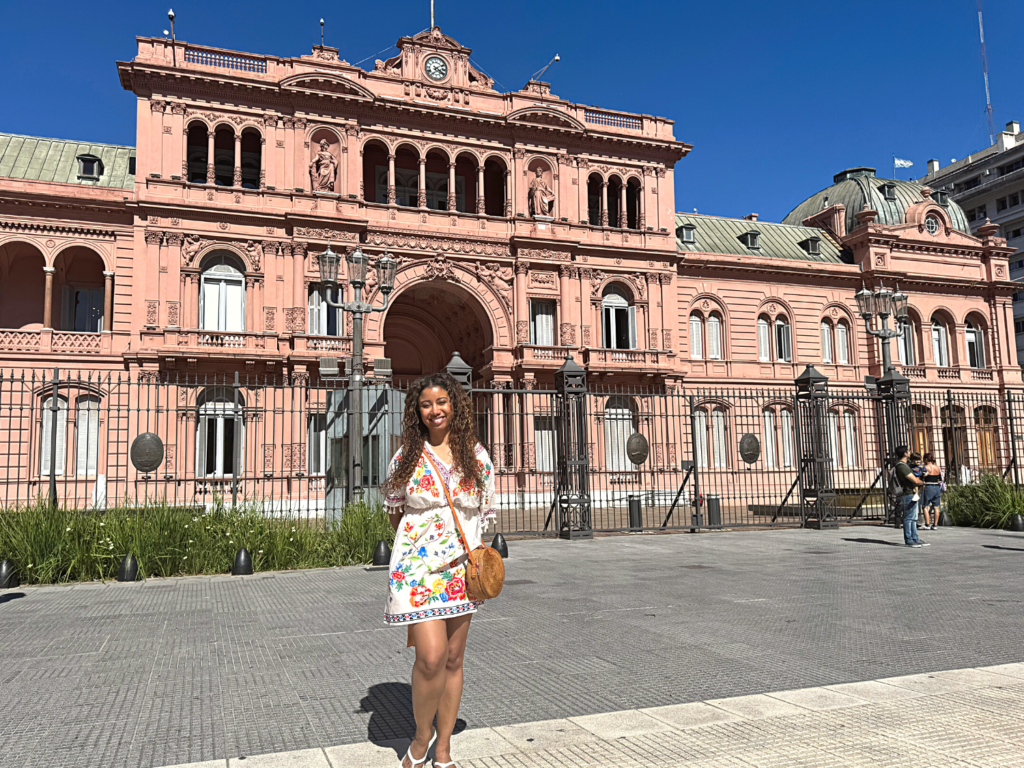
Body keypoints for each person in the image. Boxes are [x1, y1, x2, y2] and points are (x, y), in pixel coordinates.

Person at [381, 372, 496, 768]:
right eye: (426, 404)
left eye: (442, 402)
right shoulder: (406, 457)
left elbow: (484, 516)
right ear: (418, 410)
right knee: (429, 657)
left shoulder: (476, 457)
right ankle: (421, 734)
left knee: (453, 659)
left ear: (455, 406)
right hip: (417, 567)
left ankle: (443, 747)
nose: (435, 410)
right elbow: (395, 513)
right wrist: (418, 548)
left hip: (460, 569)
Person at [894, 446, 928, 548]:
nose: (910, 452)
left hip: (912, 493)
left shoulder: (906, 465)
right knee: (909, 518)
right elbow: (915, 481)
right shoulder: (902, 466)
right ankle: (909, 539)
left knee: (914, 518)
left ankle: (915, 538)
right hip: (907, 494)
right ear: (905, 453)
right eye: (908, 450)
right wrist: (923, 482)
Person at [920, 452, 943, 530]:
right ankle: (935, 525)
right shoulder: (937, 467)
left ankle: (927, 524)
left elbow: (922, 475)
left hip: (929, 486)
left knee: (925, 506)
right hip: (937, 487)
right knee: (936, 507)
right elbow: (940, 478)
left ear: (926, 459)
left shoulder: (925, 467)